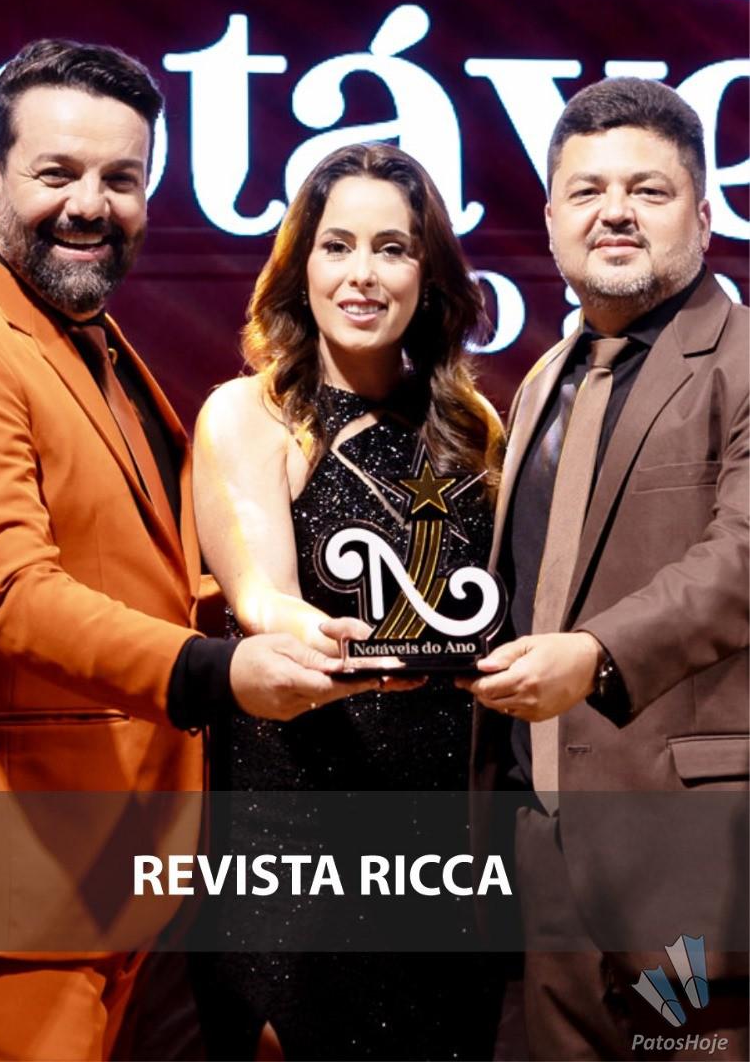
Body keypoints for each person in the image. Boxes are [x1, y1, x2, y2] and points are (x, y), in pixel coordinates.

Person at [0, 39, 380, 1062]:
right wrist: (215, 669)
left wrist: (283, 615)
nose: (90, 204)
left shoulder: (93, 343)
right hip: (10, 887)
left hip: (122, 874)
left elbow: (137, 574)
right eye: (57, 173)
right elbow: (8, 594)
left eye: (120, 178)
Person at [189, 142, 506, 1061]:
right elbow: (260, 597)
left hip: (446, 852)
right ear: (301, 267)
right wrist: (335, 641)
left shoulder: (473, 427)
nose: (361, 274)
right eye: (336, 246)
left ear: (428, 276)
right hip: (299, 835)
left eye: (391, 249)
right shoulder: (252, 413)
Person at [465, 77, 749, 1060]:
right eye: (585, 191)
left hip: (694, 841)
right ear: (550, 221)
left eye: (647, 190)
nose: (614, 212)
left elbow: (741, 556)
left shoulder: (742, 358)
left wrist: (592, 656)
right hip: (542, 836)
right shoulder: (545, 377)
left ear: (703, 216)